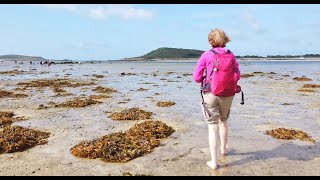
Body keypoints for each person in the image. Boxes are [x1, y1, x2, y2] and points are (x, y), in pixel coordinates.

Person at [193, 28, 240, 170]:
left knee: (212, 126)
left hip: (210, 93)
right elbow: (237, 74)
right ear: (225, 40)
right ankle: (224, 149)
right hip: (228, 93)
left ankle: (214, 162)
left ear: (210, 41)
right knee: (224, 120)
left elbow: (196, 77)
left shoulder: (206, 55)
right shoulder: (231, 55)